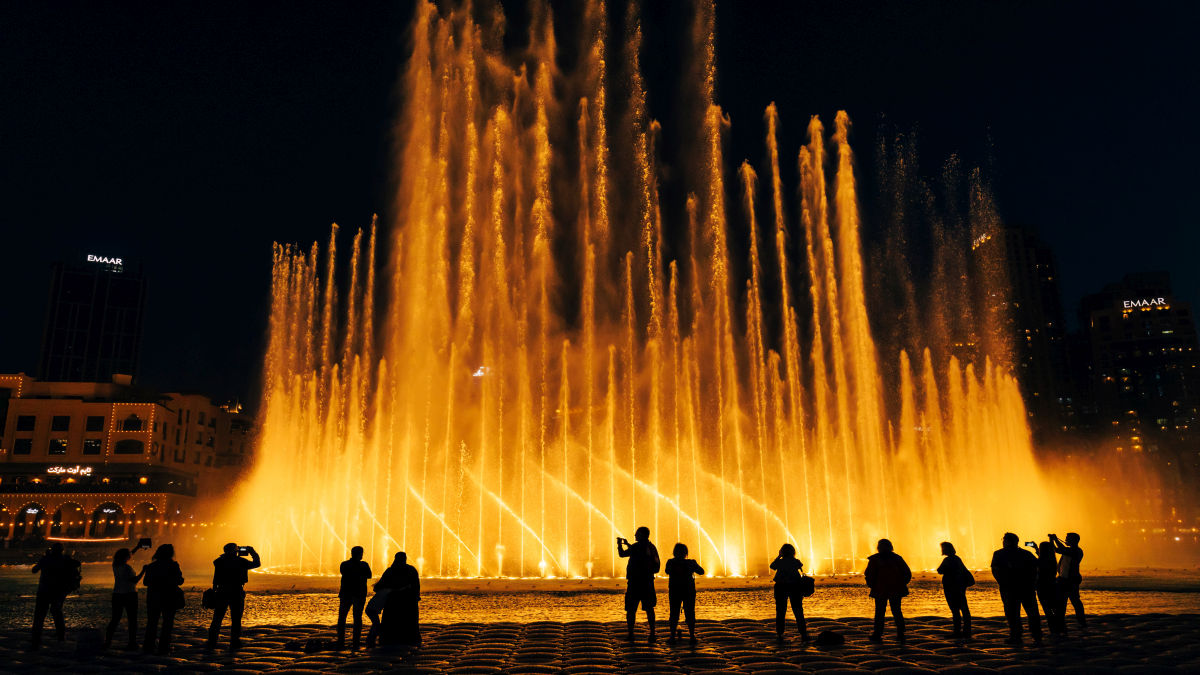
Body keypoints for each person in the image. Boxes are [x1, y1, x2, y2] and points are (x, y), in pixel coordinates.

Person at [206, 543, 261, 651]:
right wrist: (252, 552)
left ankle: (212, 641)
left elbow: (216, 576)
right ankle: (235, 641)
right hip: (236, 591)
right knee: (236, 618)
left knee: (217, 618)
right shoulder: (241, 561)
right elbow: (257, 563)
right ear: (235, 551)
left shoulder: (219, 561)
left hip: (222, 591)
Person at [990, 533, 1042, 645]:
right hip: (1027, 588)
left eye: (1004, 540)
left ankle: (1016, 636)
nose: (1003, 542)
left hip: (1009, 589)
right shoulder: (1026, 553)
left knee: (1012, 614)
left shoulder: (999, 554)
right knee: (1032, 612)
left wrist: (1002, 582)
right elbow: (1037, 567)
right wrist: (1033, 582)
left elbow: (995, 571)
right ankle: (1037, 636)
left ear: (1007, 541)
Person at [618, 526, 661, 643]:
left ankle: (631, 634)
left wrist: (619, 545)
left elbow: (622, 554)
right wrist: (628, 544)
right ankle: (652, 633)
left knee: (631, 609)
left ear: (642, 535)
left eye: (637, 533)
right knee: (649, 609)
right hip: (648, 582)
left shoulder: (637, 547)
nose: (635, 535)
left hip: (635, 583)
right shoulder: (651, 547)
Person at [30, 542, 78, 649]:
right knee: (57, 612)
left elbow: (34, 570)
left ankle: (36, 639)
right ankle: (61, 636)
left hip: (44, 590)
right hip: (59, 591)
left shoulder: (46, 559)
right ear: (62, 550)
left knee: (39, 615)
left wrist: (44, 559)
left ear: (52, 550)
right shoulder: (65, 560)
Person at [863, 538, 911, 643]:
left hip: (882, 590)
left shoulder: (875, 559)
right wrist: (902, 584)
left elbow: (868, 574)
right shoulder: (896, 558)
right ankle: (899, 633)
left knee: (882, 612)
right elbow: (907, 573)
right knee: (895, 611)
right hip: (891, 590)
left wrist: (872, 585)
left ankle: (879, 634)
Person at [142, 544, 184, 654]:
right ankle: (164, 646)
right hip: (169, 597)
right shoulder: (173, 565)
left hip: (153, 597)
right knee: (167, 623)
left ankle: (148, 646)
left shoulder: (151, 566)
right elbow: (179, 581)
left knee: (152, 622)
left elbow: (145, 582)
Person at [105, 546, 147, 650]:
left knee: (115, 619)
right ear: (126, 557)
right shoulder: (127, 568)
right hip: (129, 594)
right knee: (132, 619)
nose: (130, 556)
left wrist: (138, 547)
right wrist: (143, 571)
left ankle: (107, 642)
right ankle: (132, 643)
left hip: (117, 594)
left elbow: (130, 553)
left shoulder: (115, 565)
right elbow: (135, 580)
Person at [664, 542, 704, 645]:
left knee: (674, 613)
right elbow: (701, 571)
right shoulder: (691, 562)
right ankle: (692, 636)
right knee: (690, 613)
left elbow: (667, 571)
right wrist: (692, 567)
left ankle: (672, 636)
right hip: (688, 591)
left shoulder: (670, 562)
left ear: (674, 552)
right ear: (686, 553)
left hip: (675, 590)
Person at [379, 551, 421, 646]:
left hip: (393, 600)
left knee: (392, 620)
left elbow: (381, 584)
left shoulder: (390, 570)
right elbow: (416, 585)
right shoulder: (411, 569)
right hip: (408, 600)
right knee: (409, 620)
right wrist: (416, 595)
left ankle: (390, 638)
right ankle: (409, 638)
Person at [769, 543, 809, 643]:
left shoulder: (780, 562)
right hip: (795, 587)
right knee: (798, 610)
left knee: (780, 611)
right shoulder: (796, 561)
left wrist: (779, 556)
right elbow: (800, 566)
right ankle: (803, 632)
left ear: (782, 552)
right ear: (793, 552)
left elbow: (772, 566)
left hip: (781, 587)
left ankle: (780, 633)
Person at [337, 546, 372, 650]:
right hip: (359, 594)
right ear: (360, 554)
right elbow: (369, 575)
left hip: (346, 594)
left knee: (342, 617)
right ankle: (355, 642)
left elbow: (344, 573)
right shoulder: (364, 565)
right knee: (357, 618)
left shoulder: (344, 564)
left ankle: (341, 641)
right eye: (362, 553)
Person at [936, 542, 972, 639]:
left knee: (955, 610)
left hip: (951, 587)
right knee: (964, 609)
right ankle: (967, 631)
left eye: (943, 548)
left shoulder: (948, 560)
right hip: (960, 586)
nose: (942, 550)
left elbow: (940, 570)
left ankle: (957, 631)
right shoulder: (957, 558)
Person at [1050, 532, 1086, 630]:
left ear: (1073, 540)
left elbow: (1062, 549)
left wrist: (1055, 539)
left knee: (1075, 602)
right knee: (1063, 602)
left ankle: (1081, 622)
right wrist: (1052, 540)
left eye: (1067, 538)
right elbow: (1056, 550)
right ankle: (1062, 622)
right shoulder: (1069, 550)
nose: (1065, 540)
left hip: (1071, 581)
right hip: (1063, 580)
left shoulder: (1076, 551)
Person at [1029, 541, 1066, 634]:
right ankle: (1060, 627)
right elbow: (1040, 560)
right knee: (1055, 608)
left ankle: (1053, 629)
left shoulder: (1042, 560)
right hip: (1053, 585)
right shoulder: (1052, 559)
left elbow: (1036, 562)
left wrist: (1033, 550)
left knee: (1047, 609)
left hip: (1042, 586)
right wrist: (1036, 548)